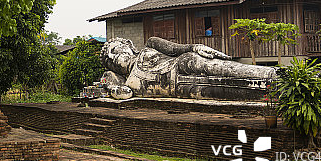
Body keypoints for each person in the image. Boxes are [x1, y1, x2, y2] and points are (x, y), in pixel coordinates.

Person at [100, 37, 276, 100]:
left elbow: (176, 49)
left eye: (115, 51)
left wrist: (195, 47)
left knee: (227, 69)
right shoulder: (127, 82)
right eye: (110, 60)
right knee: (226, 90)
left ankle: (273, 74)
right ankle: (274, 92)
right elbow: (123, 94)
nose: (115, 58)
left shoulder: (150, 45)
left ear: (129, 47)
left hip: (183, 64)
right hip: (179, 88)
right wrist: (110, 84)